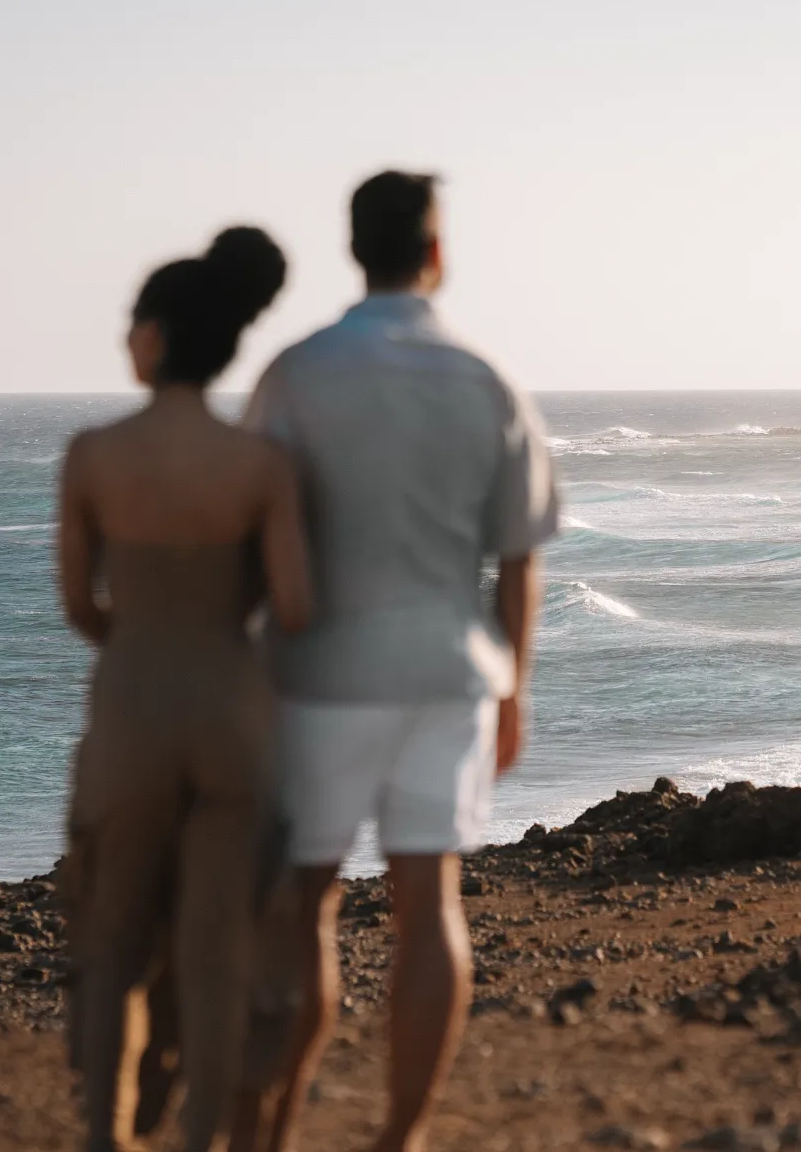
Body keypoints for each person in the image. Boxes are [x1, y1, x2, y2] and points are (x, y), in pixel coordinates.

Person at [240, 171, 558, 1152]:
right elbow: (518, 556)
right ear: (434, 251)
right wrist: (516, 689)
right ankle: (400, 1137)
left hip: (315, 675)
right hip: (446, 672)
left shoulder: (296, 371)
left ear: (352, 249)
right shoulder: (485, 375)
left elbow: (256, 524)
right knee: (430, 908)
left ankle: (276, 1124)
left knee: (306, 906)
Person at [56, 226, 312, 1152]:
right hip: (232, 712)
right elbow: (293, 604)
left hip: (131, 704)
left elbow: (80, 604)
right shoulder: (259, 464)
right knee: (215, 953)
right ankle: (202, 1138)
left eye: (132, 321)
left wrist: (144, 641)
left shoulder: (92, 455)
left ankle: (105, 1136)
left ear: (156, 337)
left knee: (115, 941)